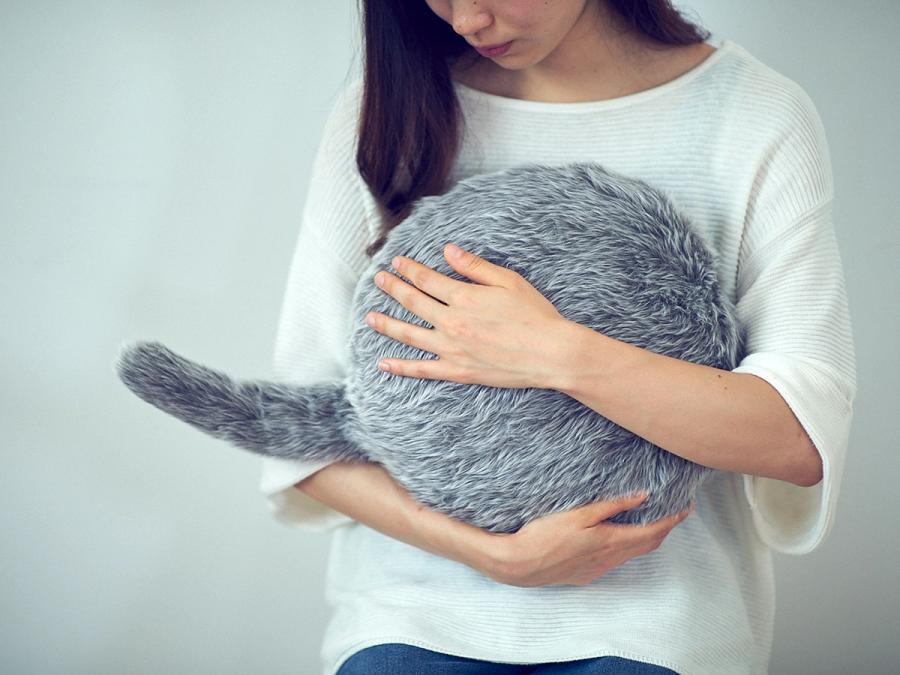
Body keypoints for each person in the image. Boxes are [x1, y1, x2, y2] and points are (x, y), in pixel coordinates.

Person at [259, 1, 857, 673]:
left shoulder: (752, 115)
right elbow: (302, 429)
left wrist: (556, 352)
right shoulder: (387, 113)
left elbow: (796, 438)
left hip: (655, 626)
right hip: (415, 616)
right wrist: (488, 552)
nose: (467, 19)